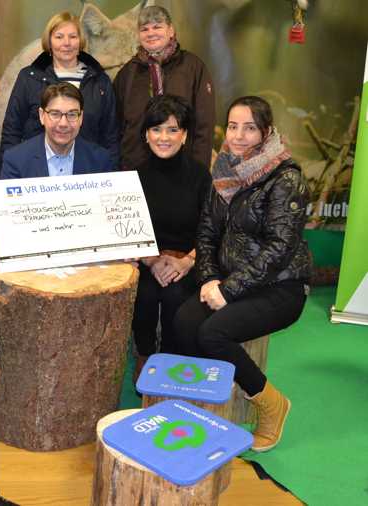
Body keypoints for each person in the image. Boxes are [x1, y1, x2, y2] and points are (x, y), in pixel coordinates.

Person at [173, 96, 311, 452]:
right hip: (231, 281)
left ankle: (271, 404)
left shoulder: (286, 178)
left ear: (266, 133)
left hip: (281, 287)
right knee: (185, 320)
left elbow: (279, 249)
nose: (238, 135)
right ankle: (208, 403)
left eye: (249, 128)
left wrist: (229, 291)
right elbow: (206, 233)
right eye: (233, 126)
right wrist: (208, 279)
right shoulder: (223, 171)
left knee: (213, 333)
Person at [130, 95, 211, 384]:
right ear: (146, 134)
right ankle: (145, 356)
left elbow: (209, 230)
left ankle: (170, 363)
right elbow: (127, 228)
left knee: (176, 296)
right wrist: (151, 260)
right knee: (146, 295)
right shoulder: (134, 176)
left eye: (173, 130)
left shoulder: (201, 176)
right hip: (147, 259)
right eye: (157, 129)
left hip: (187, 260)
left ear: (185, 135)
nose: (164, 137)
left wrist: (187, 262)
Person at [0, 11, 119, 168]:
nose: (67, 43)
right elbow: (12, 130)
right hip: (35, 172)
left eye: (73, 37)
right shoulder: (29, 77)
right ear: (49, 42)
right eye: (59, 37)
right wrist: (8, 172)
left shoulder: (100, 81)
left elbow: (110, 136)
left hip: (87, 173)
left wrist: (112, 175)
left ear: (81, 41)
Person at [114, 5, 215, 172]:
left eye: (157, 27)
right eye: (144, 29)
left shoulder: (193, 67)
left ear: (171, 30)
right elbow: (117, 126)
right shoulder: (127, 73)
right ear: (138, 35)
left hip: (183, 170)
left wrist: (199, 171)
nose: (151, 33)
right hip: (135, 169)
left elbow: (204, 124)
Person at [0, 83, 113, 179]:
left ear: (81, 117)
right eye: (55, 114)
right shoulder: (16, 159)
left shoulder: (100, 160)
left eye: (72, 114)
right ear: (42, 116)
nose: (63, 123)